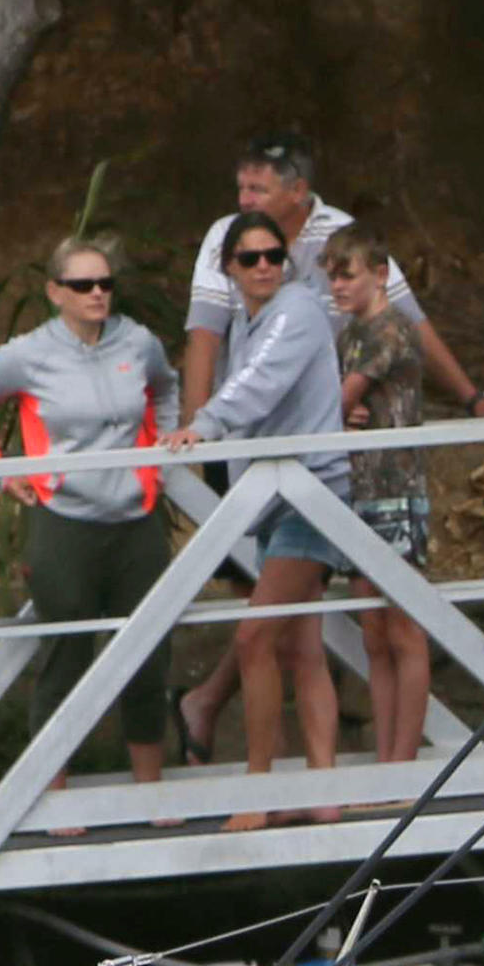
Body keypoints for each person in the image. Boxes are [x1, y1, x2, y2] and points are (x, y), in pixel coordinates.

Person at [0, 235, 185, 786]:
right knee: (66, 654)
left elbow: (166, 388)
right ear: (55, 292)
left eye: (105, 284)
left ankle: (151, 790)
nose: (98, 294)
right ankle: (52, 792)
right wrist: (0, 471)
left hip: (136, 522)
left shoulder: (138, 342)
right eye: (83, 285)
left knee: (148, 655)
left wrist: (163, 456)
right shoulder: (29, 353)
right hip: (64, 522)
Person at [185, 216, 356, 803]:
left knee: (256, 639)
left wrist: (202, 424)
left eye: (273, 256)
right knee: (301, 646)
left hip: (311, 497)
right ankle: (323, 790)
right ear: (229, 268)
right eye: (250, 257)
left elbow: (258, 386)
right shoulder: (245, 321)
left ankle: (260, 791)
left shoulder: (297, 310)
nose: (263, 266)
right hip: (275, 499)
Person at [176, 133, 484, 423]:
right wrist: (198, 429)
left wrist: (474, 399)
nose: (243, 200)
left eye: (257, 190)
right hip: (243, 417)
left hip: (326, 423)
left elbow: (407, 319)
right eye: (241, 188)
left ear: (298, 191)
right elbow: (205, 334)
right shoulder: (225, 233)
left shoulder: (343, 234)